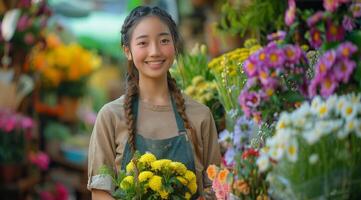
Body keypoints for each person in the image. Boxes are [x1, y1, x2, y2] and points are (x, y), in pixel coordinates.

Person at [87, 5, 221, 200]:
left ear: (175, 45)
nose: (155, 51)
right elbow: (101, 193)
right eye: (143, 43)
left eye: (164, 41)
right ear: (128, 51)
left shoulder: (200, 115)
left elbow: (216, 188)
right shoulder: (110, 116)